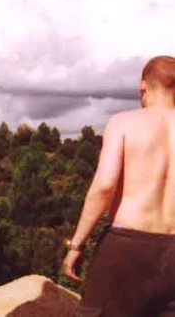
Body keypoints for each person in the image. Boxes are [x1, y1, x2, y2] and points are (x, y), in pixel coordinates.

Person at [63, 55, 175, 316]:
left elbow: (104, 186)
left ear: (143, 86)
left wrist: (76, 245)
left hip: (127, 247)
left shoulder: (123, 123)